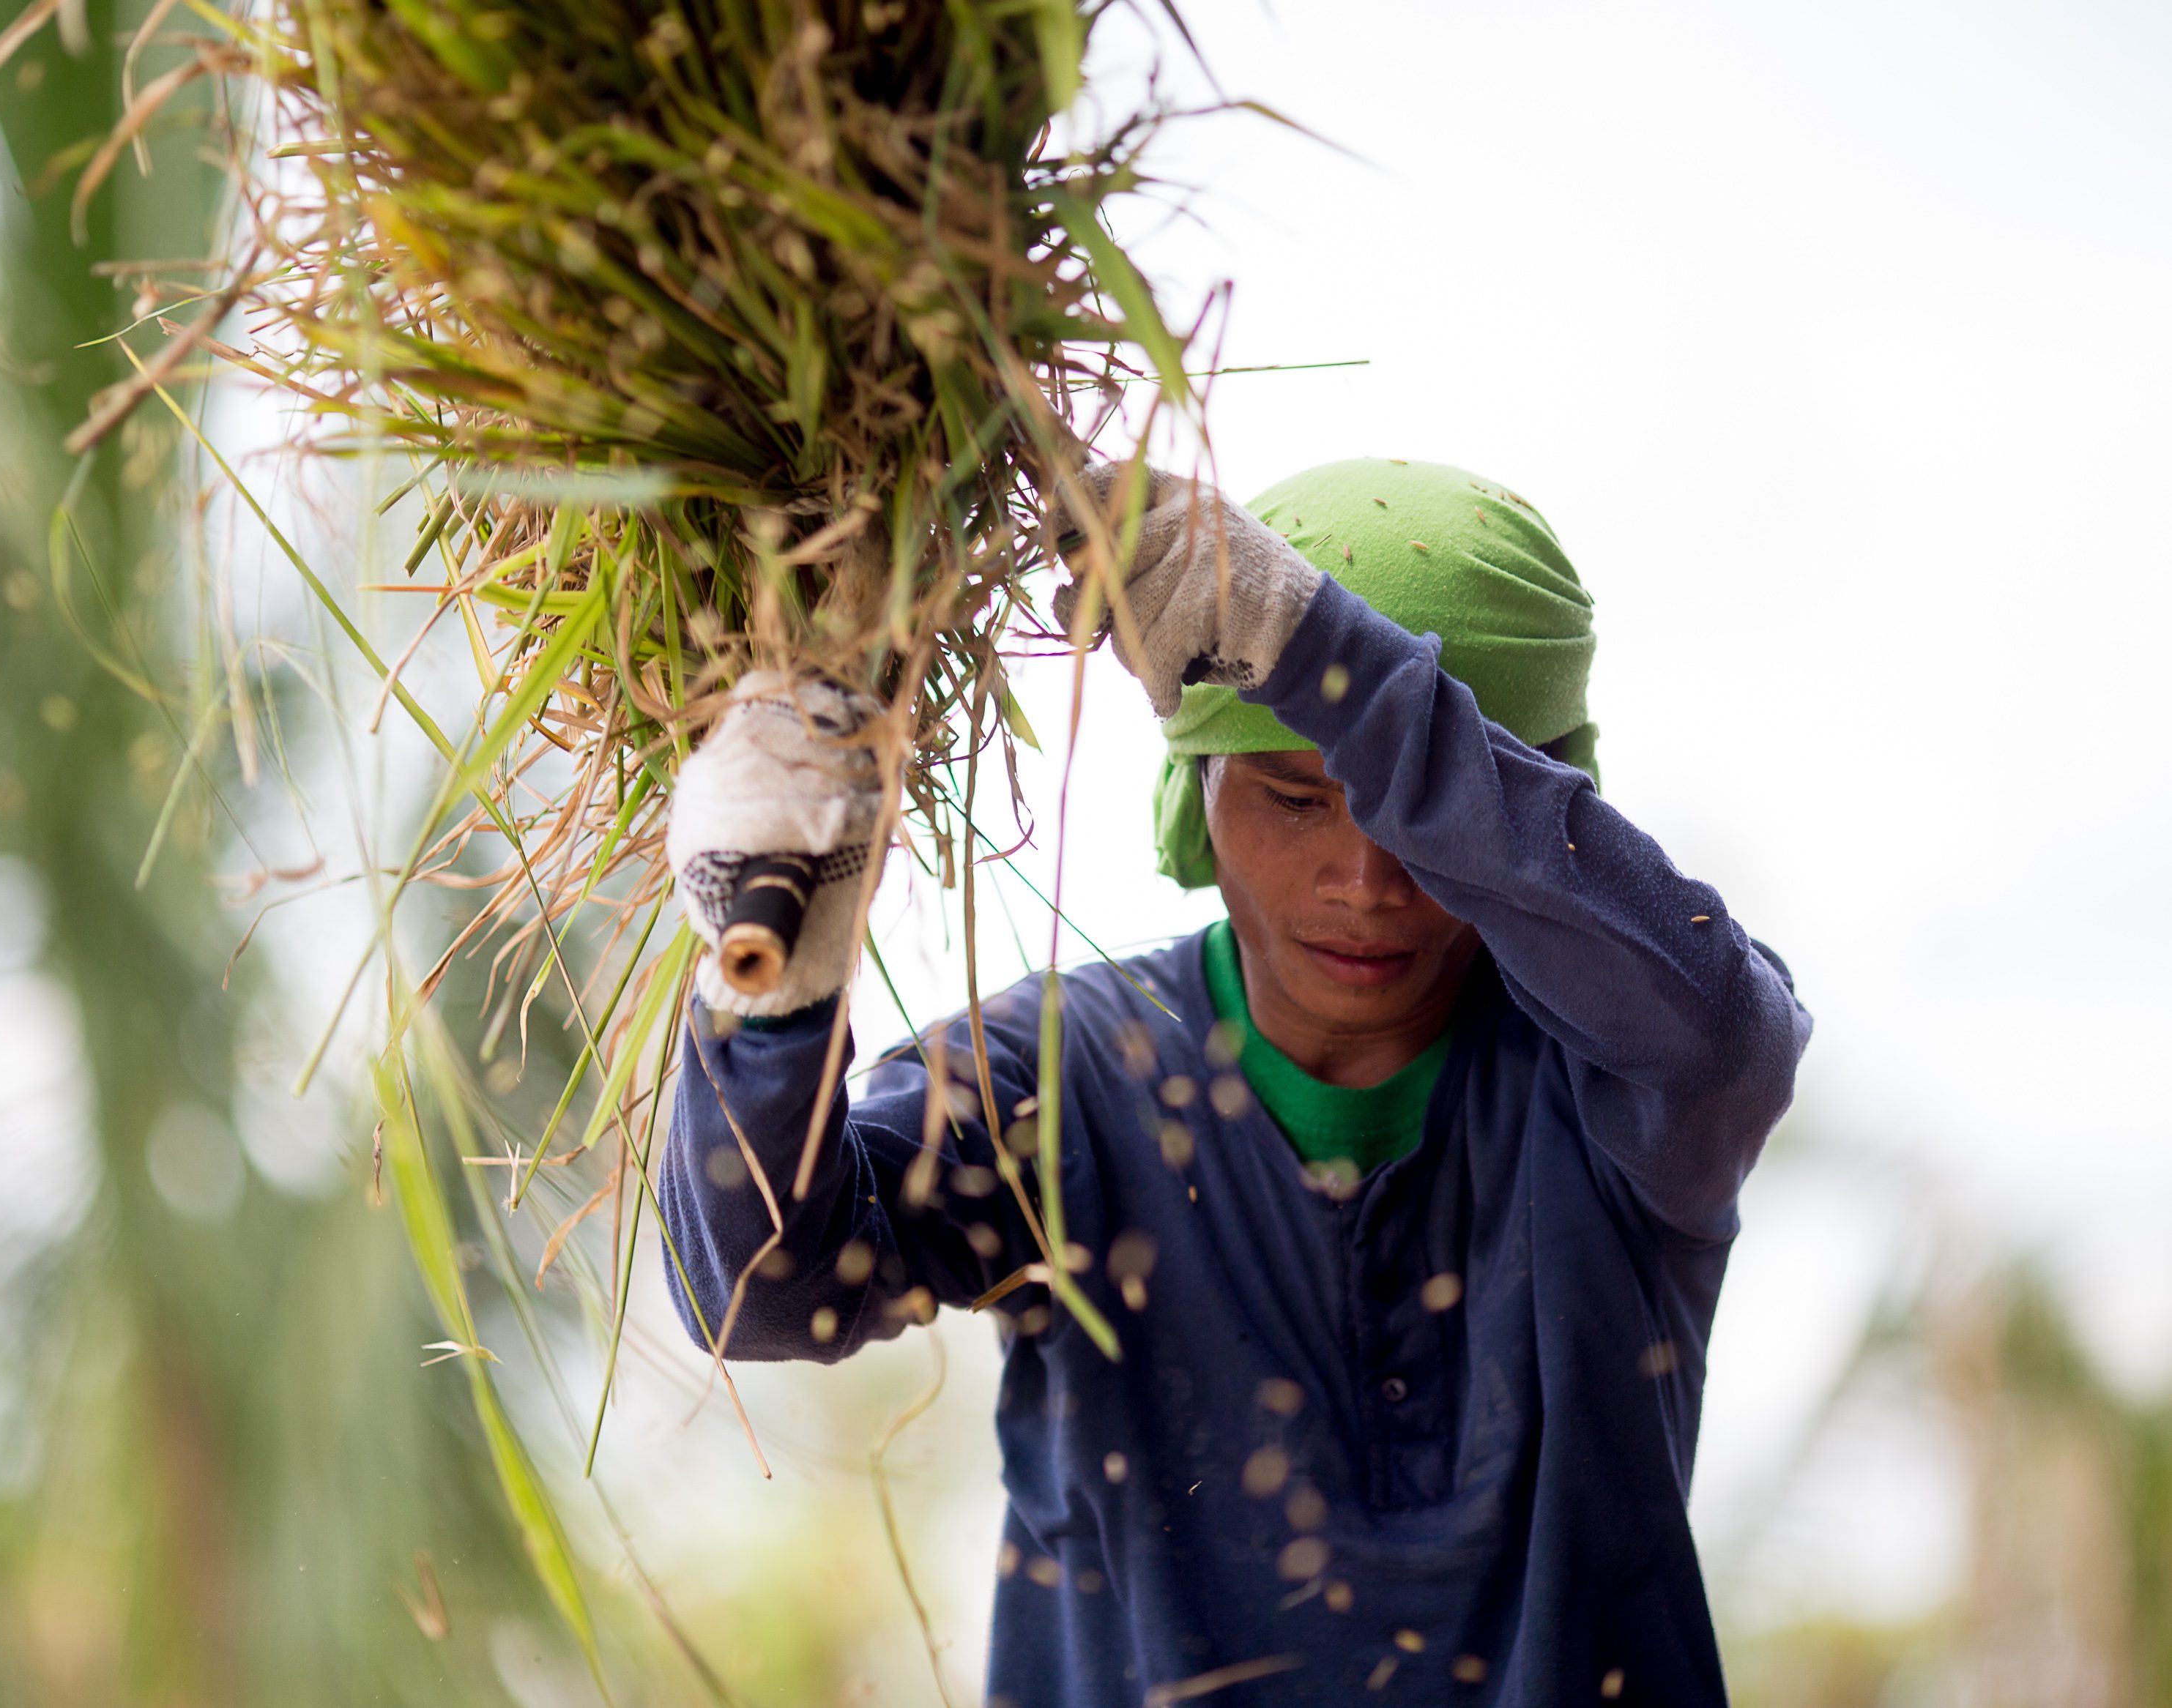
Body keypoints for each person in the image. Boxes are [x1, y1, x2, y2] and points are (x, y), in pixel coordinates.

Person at [657, 458, 1811, 1707]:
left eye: (1425, 817)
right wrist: (768, 1003)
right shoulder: (1067, 1082)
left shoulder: (1615, 1093)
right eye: (1297, 796)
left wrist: (1305, 649)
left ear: (1521, 825)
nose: (1367, 879)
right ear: (1200, 798)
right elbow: (766, 1295)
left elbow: (1732, 1038)